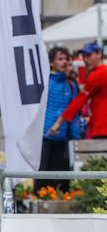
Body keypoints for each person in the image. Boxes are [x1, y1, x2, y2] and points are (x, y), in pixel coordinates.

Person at [38, 46, 82, 193]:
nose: (64, 62)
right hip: (43, 136)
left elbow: (74, 114)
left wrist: (76, 139)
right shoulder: (45, 83)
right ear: (51, 63)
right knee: (41, 172)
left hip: (62, 137)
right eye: (60, 59)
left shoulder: (71, 86)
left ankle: (55, 204)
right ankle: (38, 202)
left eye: (66, 59)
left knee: (59, 175)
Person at [51, 41, 107, 140]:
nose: (85, 60)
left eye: (89, 55)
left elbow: (79, 100)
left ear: (99, 54)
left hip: (102, 129)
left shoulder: (98, 74)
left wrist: (59, 121)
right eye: (84, 56)